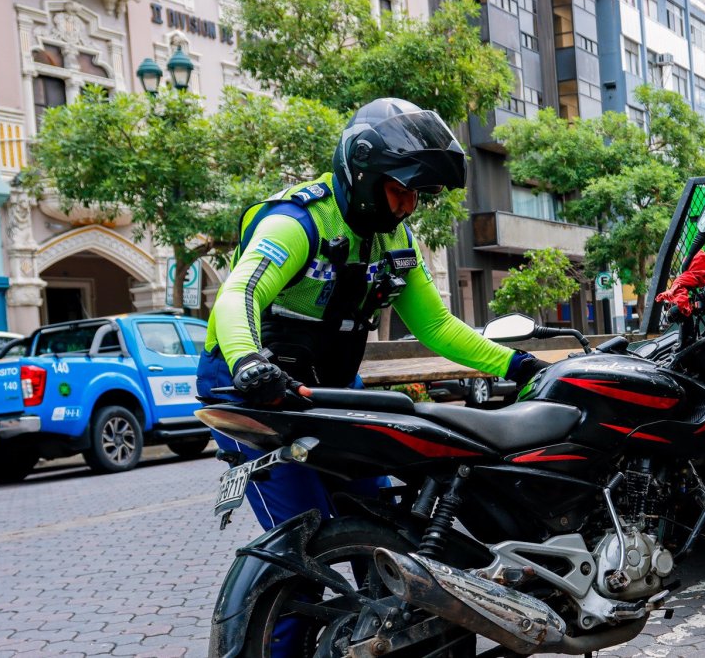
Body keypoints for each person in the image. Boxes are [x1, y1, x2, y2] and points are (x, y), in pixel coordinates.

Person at [197, 97, 551, 528]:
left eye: (416, 196)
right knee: (305, 525)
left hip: (331, 387)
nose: (407, 207)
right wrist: (249, 363)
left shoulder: (397, 241)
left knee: (380, 521)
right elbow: (239, 294)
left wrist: (518, 364)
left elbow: (436, 326)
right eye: (399, 191)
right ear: (363, 176)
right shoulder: (298, 222)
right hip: (252, 386)